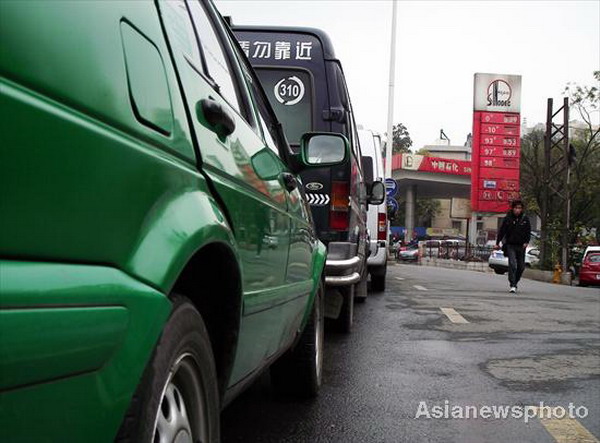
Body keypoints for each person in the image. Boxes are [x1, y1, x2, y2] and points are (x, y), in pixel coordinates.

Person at [495, 200, 531, 293]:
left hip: (521, 246)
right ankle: (512, 284)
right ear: (513, 208)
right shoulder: (508, 218)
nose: (517, 210)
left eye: (519, 208)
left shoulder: (525, 219)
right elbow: (502, 231)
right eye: (516, 208)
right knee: (512, 265)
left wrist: (526, 242)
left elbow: (528, 232)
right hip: (510, 245)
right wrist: (497, 242)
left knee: (521, 267)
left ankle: (515, 281)